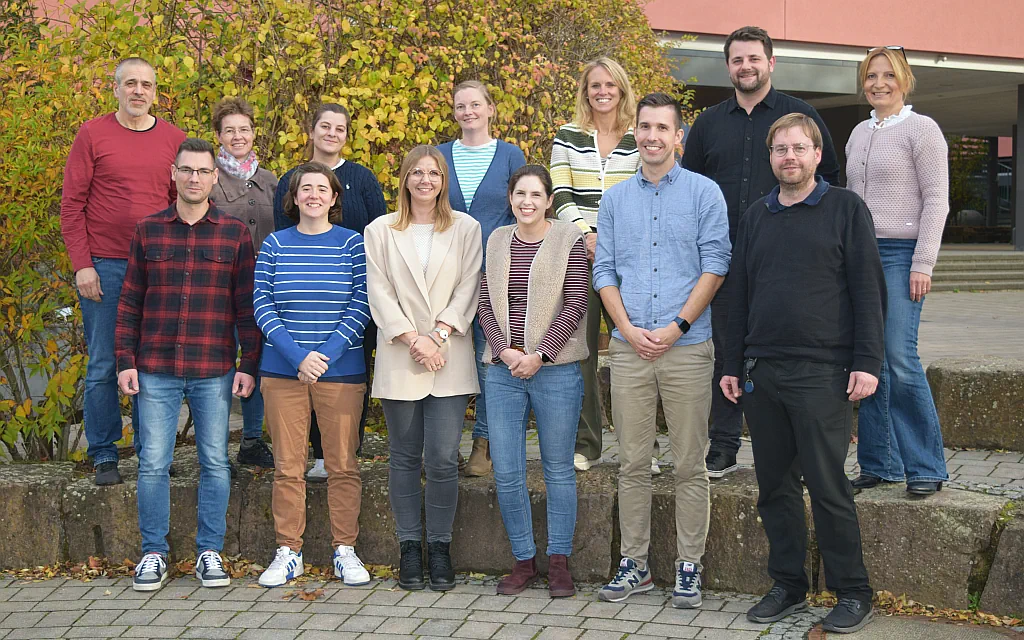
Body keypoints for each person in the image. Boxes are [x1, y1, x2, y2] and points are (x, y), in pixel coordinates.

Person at [721, 113, 885, 634]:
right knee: (774, 488)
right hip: (761, 371)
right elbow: (738, 292)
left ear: (817, 154)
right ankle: (788, 584)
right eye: (779, 149)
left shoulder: (844, 208)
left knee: (828, 485)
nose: (789, 157)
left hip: (823, 372)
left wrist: (867, 361)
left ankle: (854, 591)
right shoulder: (756, 215)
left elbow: (867, 289)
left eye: (799, 148)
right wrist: (730, 363)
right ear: (771, 158)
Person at [681, 26, 841, 479]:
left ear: (771, 62)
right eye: (737, 60)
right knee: (726, 350)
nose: (745, 66)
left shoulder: (801, 116)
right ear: (728, 66)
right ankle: (725, 445)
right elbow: (689, 187)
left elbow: (828, 178)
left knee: (788, 347)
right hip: (720, 259)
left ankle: (801, 449)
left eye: (754, 58)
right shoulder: (709, 122)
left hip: (788, 261)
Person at [594, 94, 730, 608]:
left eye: (662, 128)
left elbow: (716, 263)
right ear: (636, 133)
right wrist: (625, 329)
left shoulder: (704, 193)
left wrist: (677, 326)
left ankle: (689, 566)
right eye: (644, 127)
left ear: (678, 137)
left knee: (689, 465)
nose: (651, 136)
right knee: (631, 462)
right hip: (629, 349)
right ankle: (635, 564)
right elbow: (604, 269)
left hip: (687, 347)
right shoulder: (615, 199)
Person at [114, 138, 260, 592]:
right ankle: (153, 554)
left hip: (214, 366)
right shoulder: (148, 231)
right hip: (155, 366)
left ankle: (208, 552)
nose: (194, 178)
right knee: (153, 462)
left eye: (203, 171)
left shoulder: (234, 234)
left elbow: (246, 308)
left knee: (215, 461)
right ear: (173, 175)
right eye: (187, 170)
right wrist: (125, 361)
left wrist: (248, 364)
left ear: (215, 177)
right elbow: (130, 302)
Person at [61, 57, 186, 486]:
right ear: (115, 89)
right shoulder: (93, 133)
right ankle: (103, 453)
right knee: (102, 363)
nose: (138, 91)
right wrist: (82, 264)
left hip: (158, 267)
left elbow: (181, 203)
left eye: (146, 85)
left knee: (152, 363)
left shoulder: (174, 139)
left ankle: (154, 451)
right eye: (130, 83)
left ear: (155, 92)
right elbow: (72, 205)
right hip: (105, 267)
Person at [364, 145, 482, 592]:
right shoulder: (379, 230)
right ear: (405, 179)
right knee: (404, 456)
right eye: (417, 172)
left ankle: (440, 547)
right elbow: (378, 290)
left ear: (443, 180)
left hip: (448, 353)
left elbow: (470, 285)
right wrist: (413, 339)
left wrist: (439, 335)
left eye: (433, 173)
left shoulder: (467, 228)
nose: (425, 180)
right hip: (401, 354)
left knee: (442, 459)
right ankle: (409, 547)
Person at [254, 163, 372, 588]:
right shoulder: (274, 245)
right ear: (295, 197)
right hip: (283, 372)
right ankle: (289, 551)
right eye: (306, 188)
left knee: (342, 464)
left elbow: (362, 304)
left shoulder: (352, 245)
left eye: (323, 188)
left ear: (335, 197)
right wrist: (297, 357)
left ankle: (345, 550)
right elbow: (262, 306)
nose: (314, 195)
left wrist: (324, 355)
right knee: (288, 466)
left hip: (340, 371)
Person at [478, 165, 588, 598]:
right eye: (519, 194)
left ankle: (559, 561)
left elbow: (576, 301)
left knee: (558, 469)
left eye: (536, 195)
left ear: (547, 200)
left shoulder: (568, 238)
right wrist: (505, 351)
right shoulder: (497, 239)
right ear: (510, 198)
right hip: (503, 372)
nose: (527, 202)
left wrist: (539, 354)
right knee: (506, 470)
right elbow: (484, 299)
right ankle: (523, 559)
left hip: (556, 370)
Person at [846, 47, 950, 497]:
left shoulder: (922, 129)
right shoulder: (856, 132)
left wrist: (922, 262)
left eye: (889, 75)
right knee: (869, 359)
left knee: (899, 357)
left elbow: (937, 201)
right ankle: (879, 463)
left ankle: (925, 466)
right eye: (871, 75)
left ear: (904, 80)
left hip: (901, 254)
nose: (879, 83)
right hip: (859, 255)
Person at [273, 103, 387, 480]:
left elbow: (379, 234)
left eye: (340, 128)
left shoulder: (362, 179)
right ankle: (313, 452)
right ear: (312, 130)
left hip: (354, 293)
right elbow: (283, 233)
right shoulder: (292, 178)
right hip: (304, 294)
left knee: (347, 374)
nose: (332, 134)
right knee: (303, 370)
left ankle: (342, 450)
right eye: (325, 126)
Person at [550, 57, 643, 473]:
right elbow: (560, 191)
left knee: (634, 349)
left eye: (609, 84)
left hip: (630, 258)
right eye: (594, 86)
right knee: (581, 352)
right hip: (578, 255)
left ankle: (639, 449)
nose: (602, 92)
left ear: (621, 89)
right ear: (585, 91)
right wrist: (587, 235)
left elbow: (647, 191)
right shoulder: (568, 136)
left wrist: (612, 239)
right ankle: (587, 445)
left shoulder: (640, 135)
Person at [437, 80, 527, 478]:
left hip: (496, 273)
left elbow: (520, 211)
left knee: (491, 357)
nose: (468, 111)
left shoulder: (509, 155)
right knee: (446, 357)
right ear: (454, 112)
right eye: (460, 105)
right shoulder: (439, 155)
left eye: (476, 104)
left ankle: (484, 445)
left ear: (491, 109)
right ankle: (442, 444)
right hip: (445, 275)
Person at [209, 96, 278, 469]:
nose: (238, 136)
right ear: (219, 135)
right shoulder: (210, 178)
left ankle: (252, 440)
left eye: (244, 129)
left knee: (257, 363)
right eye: (230, 130)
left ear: (254, 133)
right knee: (222, 365)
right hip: (220, 289)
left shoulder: (270, 181)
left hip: (263, 289)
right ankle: (215, 446)